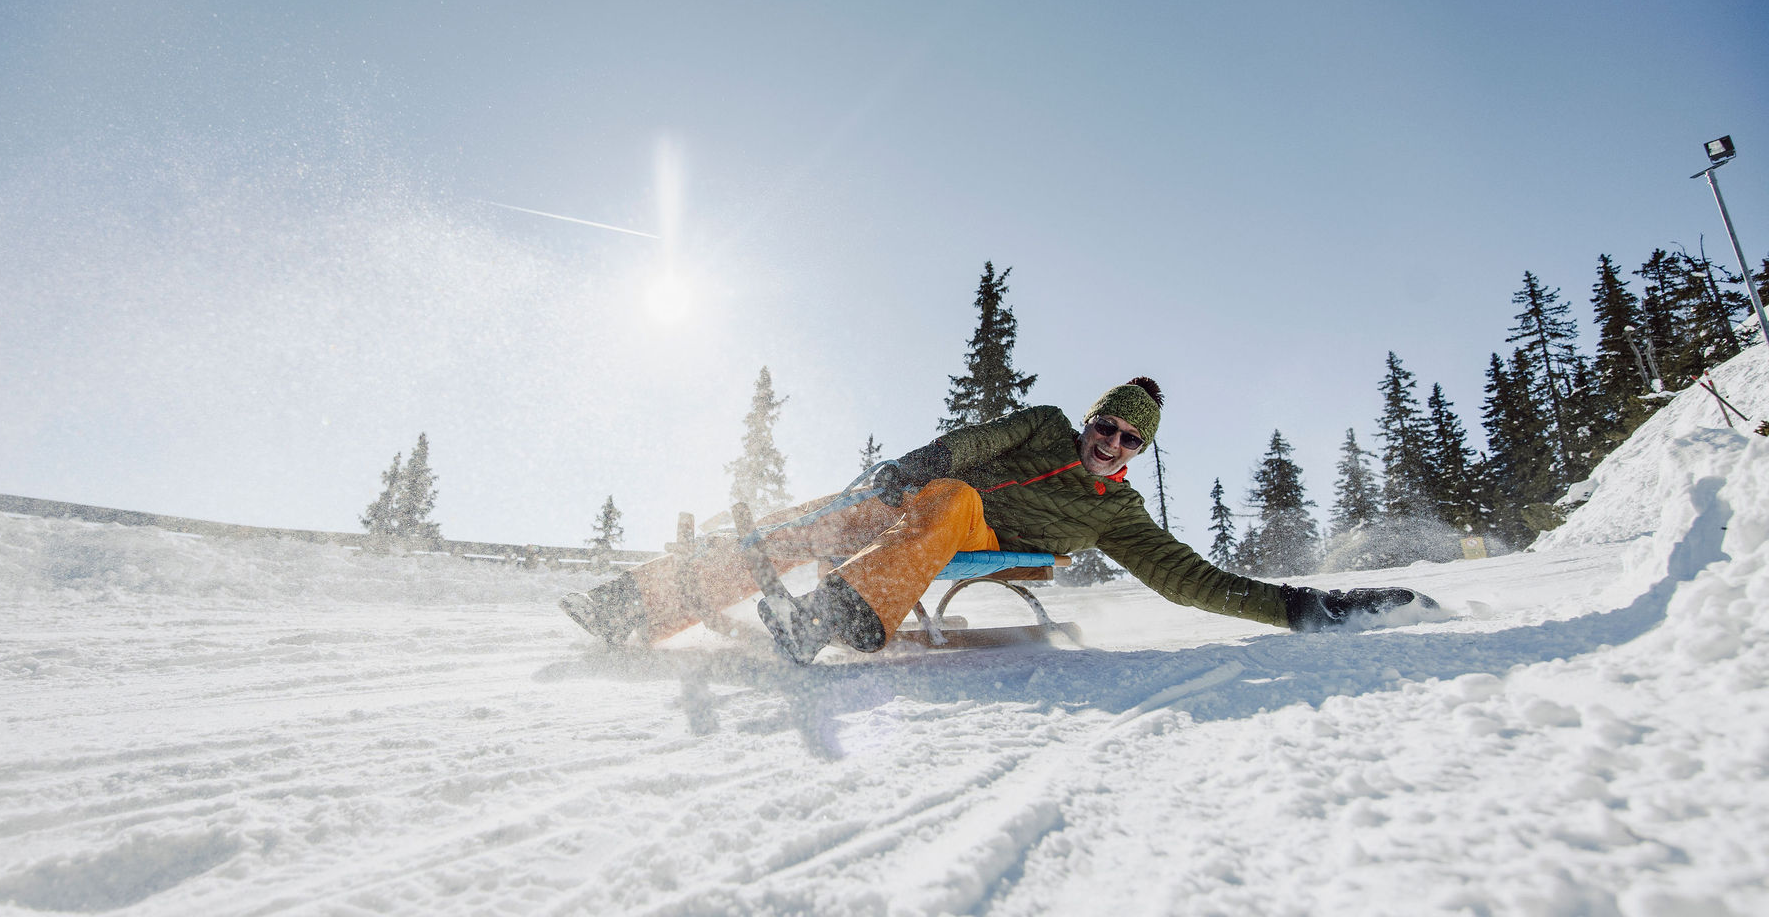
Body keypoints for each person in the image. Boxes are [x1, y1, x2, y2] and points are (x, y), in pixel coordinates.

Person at [560, 377, 1431, 663]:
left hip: (975, 531)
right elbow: (981, 438)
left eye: (1125, 439)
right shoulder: (1047, 426)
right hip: (923, 500)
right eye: (1104, 425)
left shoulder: (1118, 513)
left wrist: (1291, 607)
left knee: (960, 501)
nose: (1107, 441)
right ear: (1089, 421)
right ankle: (630, 608)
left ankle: (836, 617)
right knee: (794, 527)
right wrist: (908, 467)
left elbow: (1188, 580)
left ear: (1133, 455)